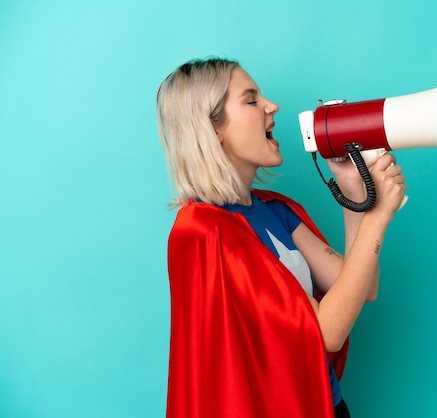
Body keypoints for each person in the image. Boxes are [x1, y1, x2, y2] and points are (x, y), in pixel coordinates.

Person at [156, 57, 407, 418]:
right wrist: (377, 218)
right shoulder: (205, 230)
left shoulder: (275, 210)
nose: (271, 106)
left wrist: (355, 193)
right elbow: (328, 332)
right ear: (213, 130)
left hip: (326, 405)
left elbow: (361, 286)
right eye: (251, 99)